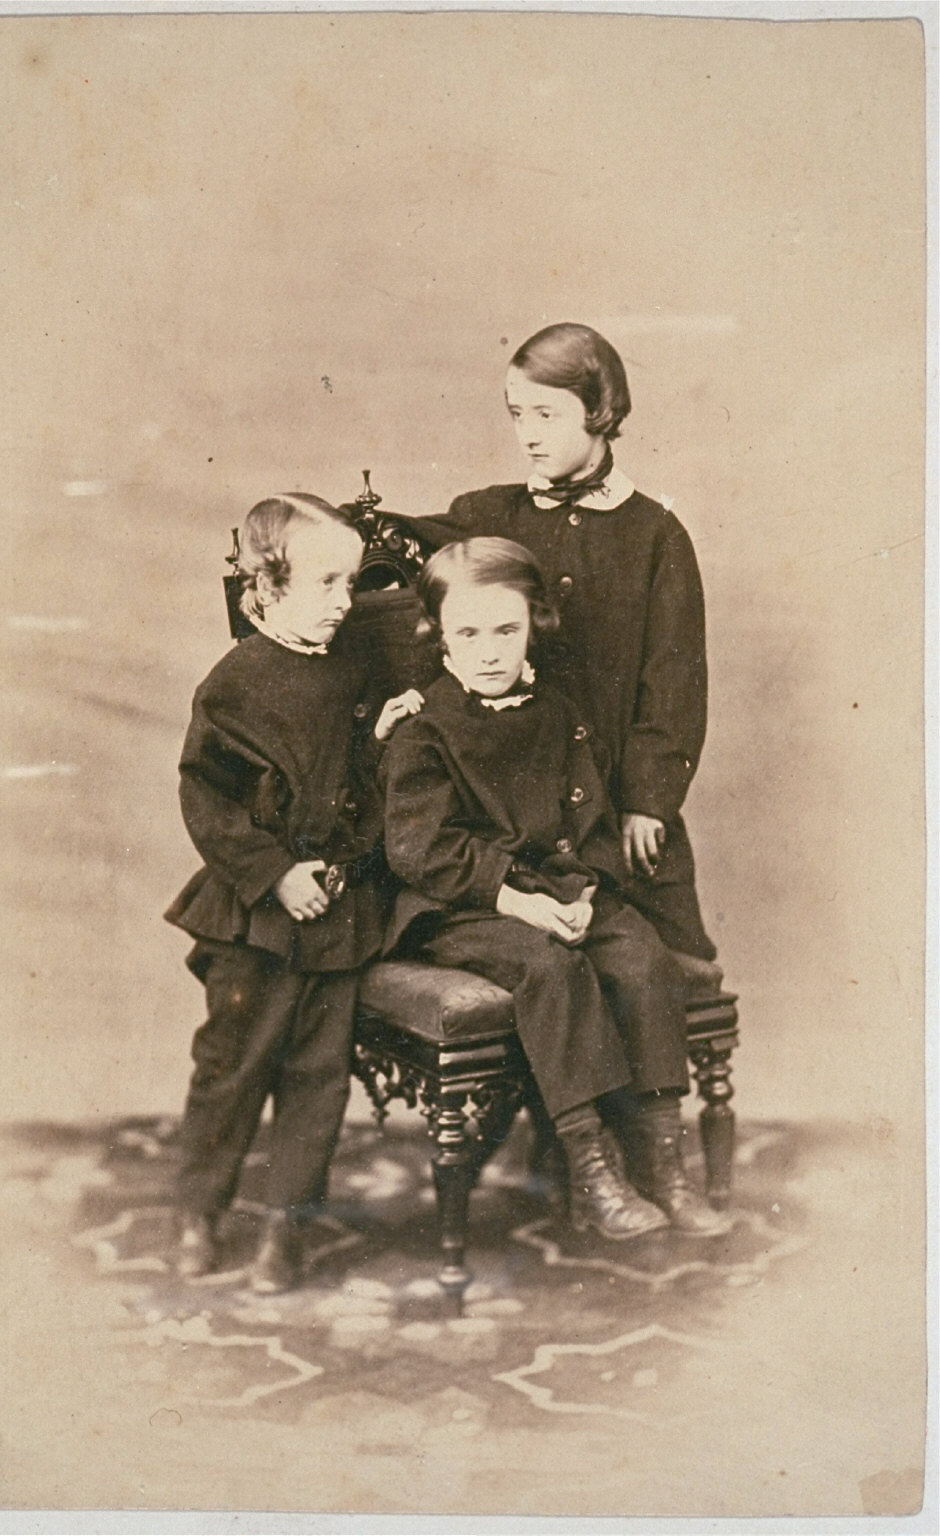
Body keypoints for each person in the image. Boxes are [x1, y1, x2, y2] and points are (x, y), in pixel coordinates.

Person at [381, 537, 731, 1238]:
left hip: (560, 884)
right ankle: (591, 1164)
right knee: (550, 968)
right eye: (468, 634)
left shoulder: (557, 711)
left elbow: (590, 816)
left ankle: (663, 1161)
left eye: (506, 630)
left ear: (532, 627)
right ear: (440, 642)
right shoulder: (424, 731)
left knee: (642, 957)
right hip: (467, 905)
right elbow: (422, 849)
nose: (488, 652)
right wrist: (518, 902)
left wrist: (585, 896)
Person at [402, 322, 720, 989]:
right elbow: (410, 572)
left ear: (599, 412)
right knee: (550, 970)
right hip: (510, 811)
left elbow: (673, 681)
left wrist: (649, 802)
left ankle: (644, 1097)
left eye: (547, 414)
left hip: (612, 808)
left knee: (646, 965)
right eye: (518, 415)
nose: (528, 434)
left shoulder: (655, 534)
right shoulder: (488, 515)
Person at [165, 494, 422, 1290]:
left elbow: (350, 788)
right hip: (258, 919)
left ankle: (287, 1225)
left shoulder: (349, 669)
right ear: (268, 587)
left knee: (318, 1078)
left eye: (350, 584)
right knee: (233, 1068)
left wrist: (376, 740)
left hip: (338, 914)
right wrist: (275, 874)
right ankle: (199, 1212)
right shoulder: (233, 685)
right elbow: (206, 795)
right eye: (328, 585)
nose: (346, 602)